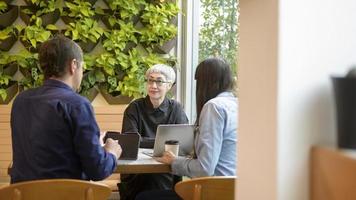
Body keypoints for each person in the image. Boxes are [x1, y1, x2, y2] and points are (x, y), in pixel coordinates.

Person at [10, 35, 122, 184]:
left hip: (22, 195)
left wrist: (93, 142)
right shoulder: (77, 105)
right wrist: (111, 152)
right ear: (73, 65)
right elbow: (98, 170)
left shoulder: (20, 101)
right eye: (83, 67)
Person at [136, 57, 238, 199]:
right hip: (234, 190)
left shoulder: (213, 107)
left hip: (212, 191)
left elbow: (204, 169)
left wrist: (174, 161)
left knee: (144, 198)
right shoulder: (236, 104)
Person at [119, 64, 189, 200]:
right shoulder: (134, 108)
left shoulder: (176, 108)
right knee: (150, 180)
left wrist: (144, 141)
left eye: (159, 81)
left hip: (166, 168)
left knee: (159, 178)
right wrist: (164, 144)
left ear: (169, 86)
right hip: (137, 172)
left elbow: (183, 141)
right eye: (150, 80)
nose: (153, 85)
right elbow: (131, 141)